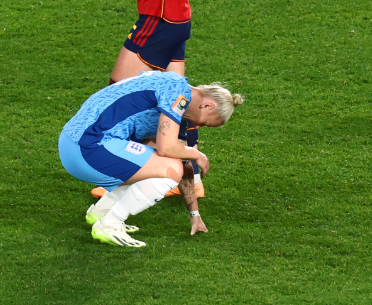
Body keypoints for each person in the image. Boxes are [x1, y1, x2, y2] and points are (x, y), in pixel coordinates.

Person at [59, 71, 242, 247]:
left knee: (157, 164)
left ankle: (101, 213)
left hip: (73, 141)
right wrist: (197, 154)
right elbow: (167, 149)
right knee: (170, 169)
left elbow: (179, 161)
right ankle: (110, 225)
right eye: (204, 122)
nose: (198, 126)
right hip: (87, 148)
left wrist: (194, 214)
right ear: (208, 106)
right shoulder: (179, 94)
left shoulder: (172, 89)